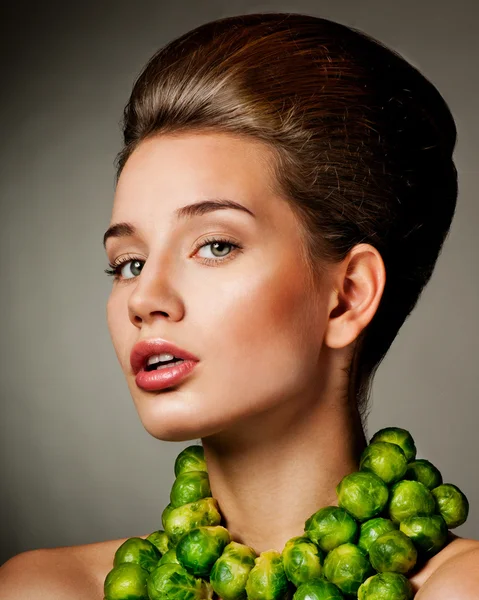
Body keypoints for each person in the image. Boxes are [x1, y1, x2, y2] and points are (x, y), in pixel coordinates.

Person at [1, 11, 478, 599]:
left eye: (215, 245)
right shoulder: (44, 590)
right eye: (129, 263)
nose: (145, 299)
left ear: (348, 296)